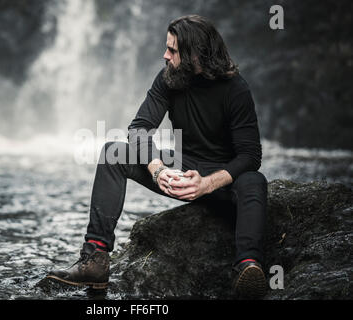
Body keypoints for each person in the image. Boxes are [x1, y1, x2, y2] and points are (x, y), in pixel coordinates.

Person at [48, 15, 268, 298]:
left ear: (196, 54)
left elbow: (250, 155)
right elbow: (138, 129)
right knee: (113, 152)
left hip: (221, 180)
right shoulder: (169, 78)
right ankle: (95, 258)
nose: (165, 55)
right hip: (181, 168)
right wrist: (158, 169)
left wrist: (207, 184)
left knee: (254, 180)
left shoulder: (236, 89)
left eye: (173, 50)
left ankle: (247, 267)